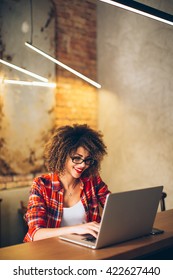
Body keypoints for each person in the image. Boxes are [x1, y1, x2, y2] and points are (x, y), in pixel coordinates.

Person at [24, 124, 110, 242]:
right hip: (51, 252)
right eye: (77, 158)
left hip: (86, 249)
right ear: (62, 155)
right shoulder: (41, 185)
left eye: (87, 159)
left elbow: (114, 208)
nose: (83, 165)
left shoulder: (92, 180)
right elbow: (35, 234)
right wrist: (76, 229)